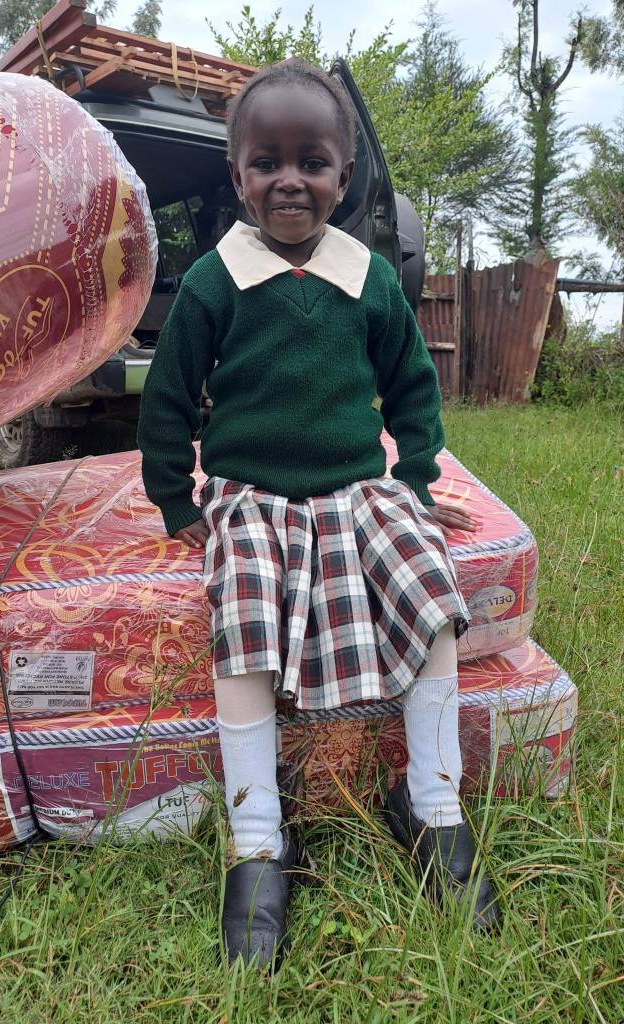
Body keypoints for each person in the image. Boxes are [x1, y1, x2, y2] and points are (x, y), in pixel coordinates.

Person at [138, 57, 501, 970]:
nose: (290, 180)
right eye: (267, 163)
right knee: (244, 620)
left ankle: (434, 808)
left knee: (430, 592)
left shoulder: (369, 278)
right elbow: (169, 398)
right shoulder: (214, 282)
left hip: (355, 488)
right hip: (251, 495)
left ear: (345, 176)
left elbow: (411, 386)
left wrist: (416, 479)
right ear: (238, 177)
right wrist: (175, 497)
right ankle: (258, 836)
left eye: (313, 161)